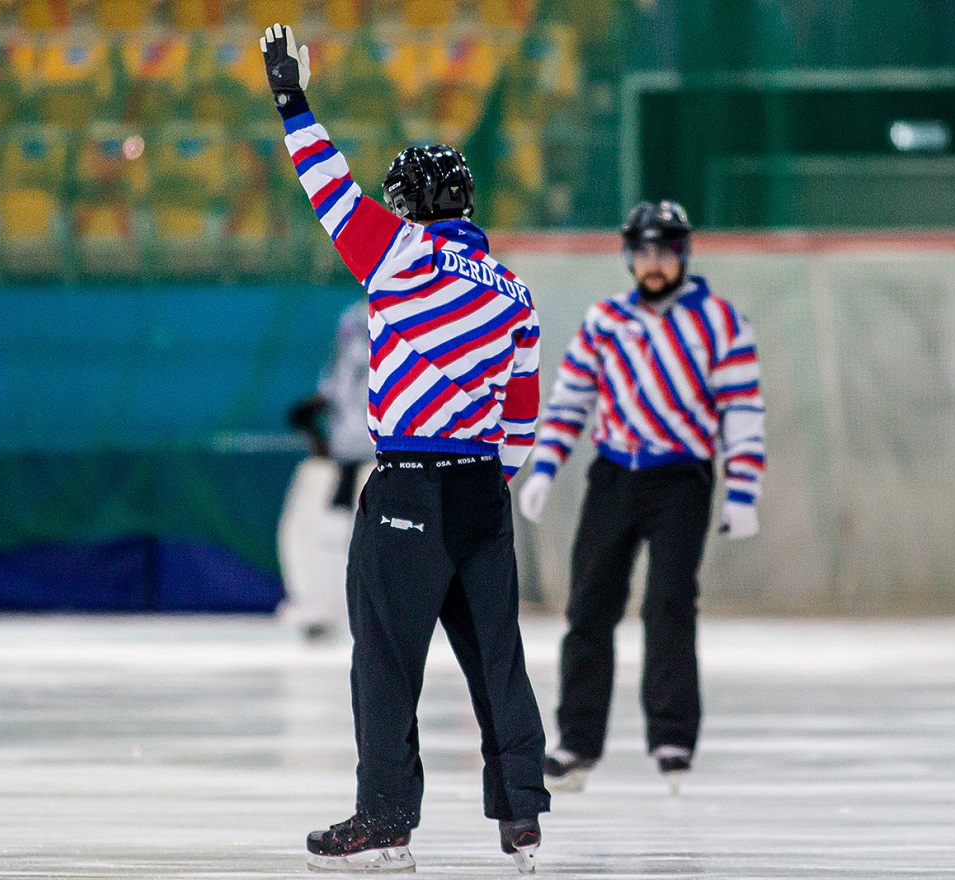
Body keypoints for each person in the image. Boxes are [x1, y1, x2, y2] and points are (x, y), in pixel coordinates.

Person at [259, 23, 550, 874]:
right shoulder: (514, 289)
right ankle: (521, 816)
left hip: (409, 487)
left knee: (386, 656)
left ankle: (386, 819)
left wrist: (292, 100)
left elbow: (327, 187)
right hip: (480, 495)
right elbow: (523, 414)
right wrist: (488, 478)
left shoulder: (401, 258)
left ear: (412, 204)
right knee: (498, 656)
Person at [518, 200, 765, 795]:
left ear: (683, 254)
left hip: (682, 478)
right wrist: (545, 469)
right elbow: (570, 399)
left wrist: (742, 489)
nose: (654, 264)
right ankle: (576, 741)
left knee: (669, 604)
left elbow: (743, 410)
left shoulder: (721, 322)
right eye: (644, 251)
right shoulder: (604, 321)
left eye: (666, 251)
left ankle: (673, 736)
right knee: (589, 606)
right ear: (630, 256)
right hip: (615, 475)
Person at [276, 299, 373, 643]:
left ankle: (324, 605)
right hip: (360, 448)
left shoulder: (367, 315)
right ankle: (323, 604)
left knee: (326, 528)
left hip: (364, 449)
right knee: (326, 527)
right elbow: (341, 381)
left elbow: (344, 383)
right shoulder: (354, 316)